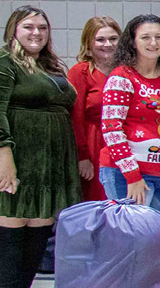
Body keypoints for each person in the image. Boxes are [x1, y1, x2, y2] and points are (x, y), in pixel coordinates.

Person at [0, 6, 79, 288]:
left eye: (42, 28)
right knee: (11, 228)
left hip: (47, 162)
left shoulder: (51, 66)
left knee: (38, 231)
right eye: (29, 27)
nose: (37, 33)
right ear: (13, 31)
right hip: (14, 157)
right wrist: (4, 160)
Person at [100, 14, 160, 230]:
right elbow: (112, 130)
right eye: (145, 37)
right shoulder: (121, 77)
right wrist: (132, 175)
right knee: (142, 239)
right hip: (130, 174)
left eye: (159, 37)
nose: (153, 43)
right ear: (132, 41)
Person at [70, 16, 120, 201]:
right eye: (100, 40)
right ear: (89, 44)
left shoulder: (126, 72)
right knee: (95, 202)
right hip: (93, 146)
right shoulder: (80, 72)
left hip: (123, 145)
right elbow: (75, 116)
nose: (108, 44)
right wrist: (82, 157)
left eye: (113, 39)